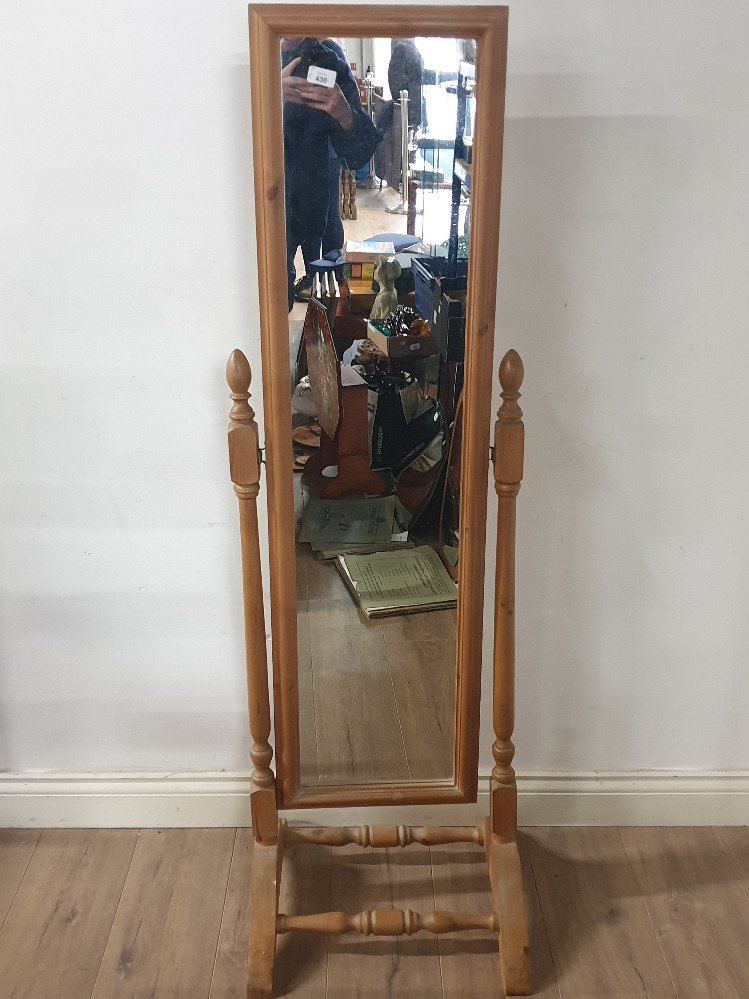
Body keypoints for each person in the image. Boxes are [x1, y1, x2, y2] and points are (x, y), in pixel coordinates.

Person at [282, 38, 380, 310]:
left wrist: (344, 113)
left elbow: (361, 153)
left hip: (309, 198)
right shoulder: (255, 55)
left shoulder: (328, 58)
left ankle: (319, 283)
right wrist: (268, 97)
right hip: (261, 209)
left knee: (288, 291)